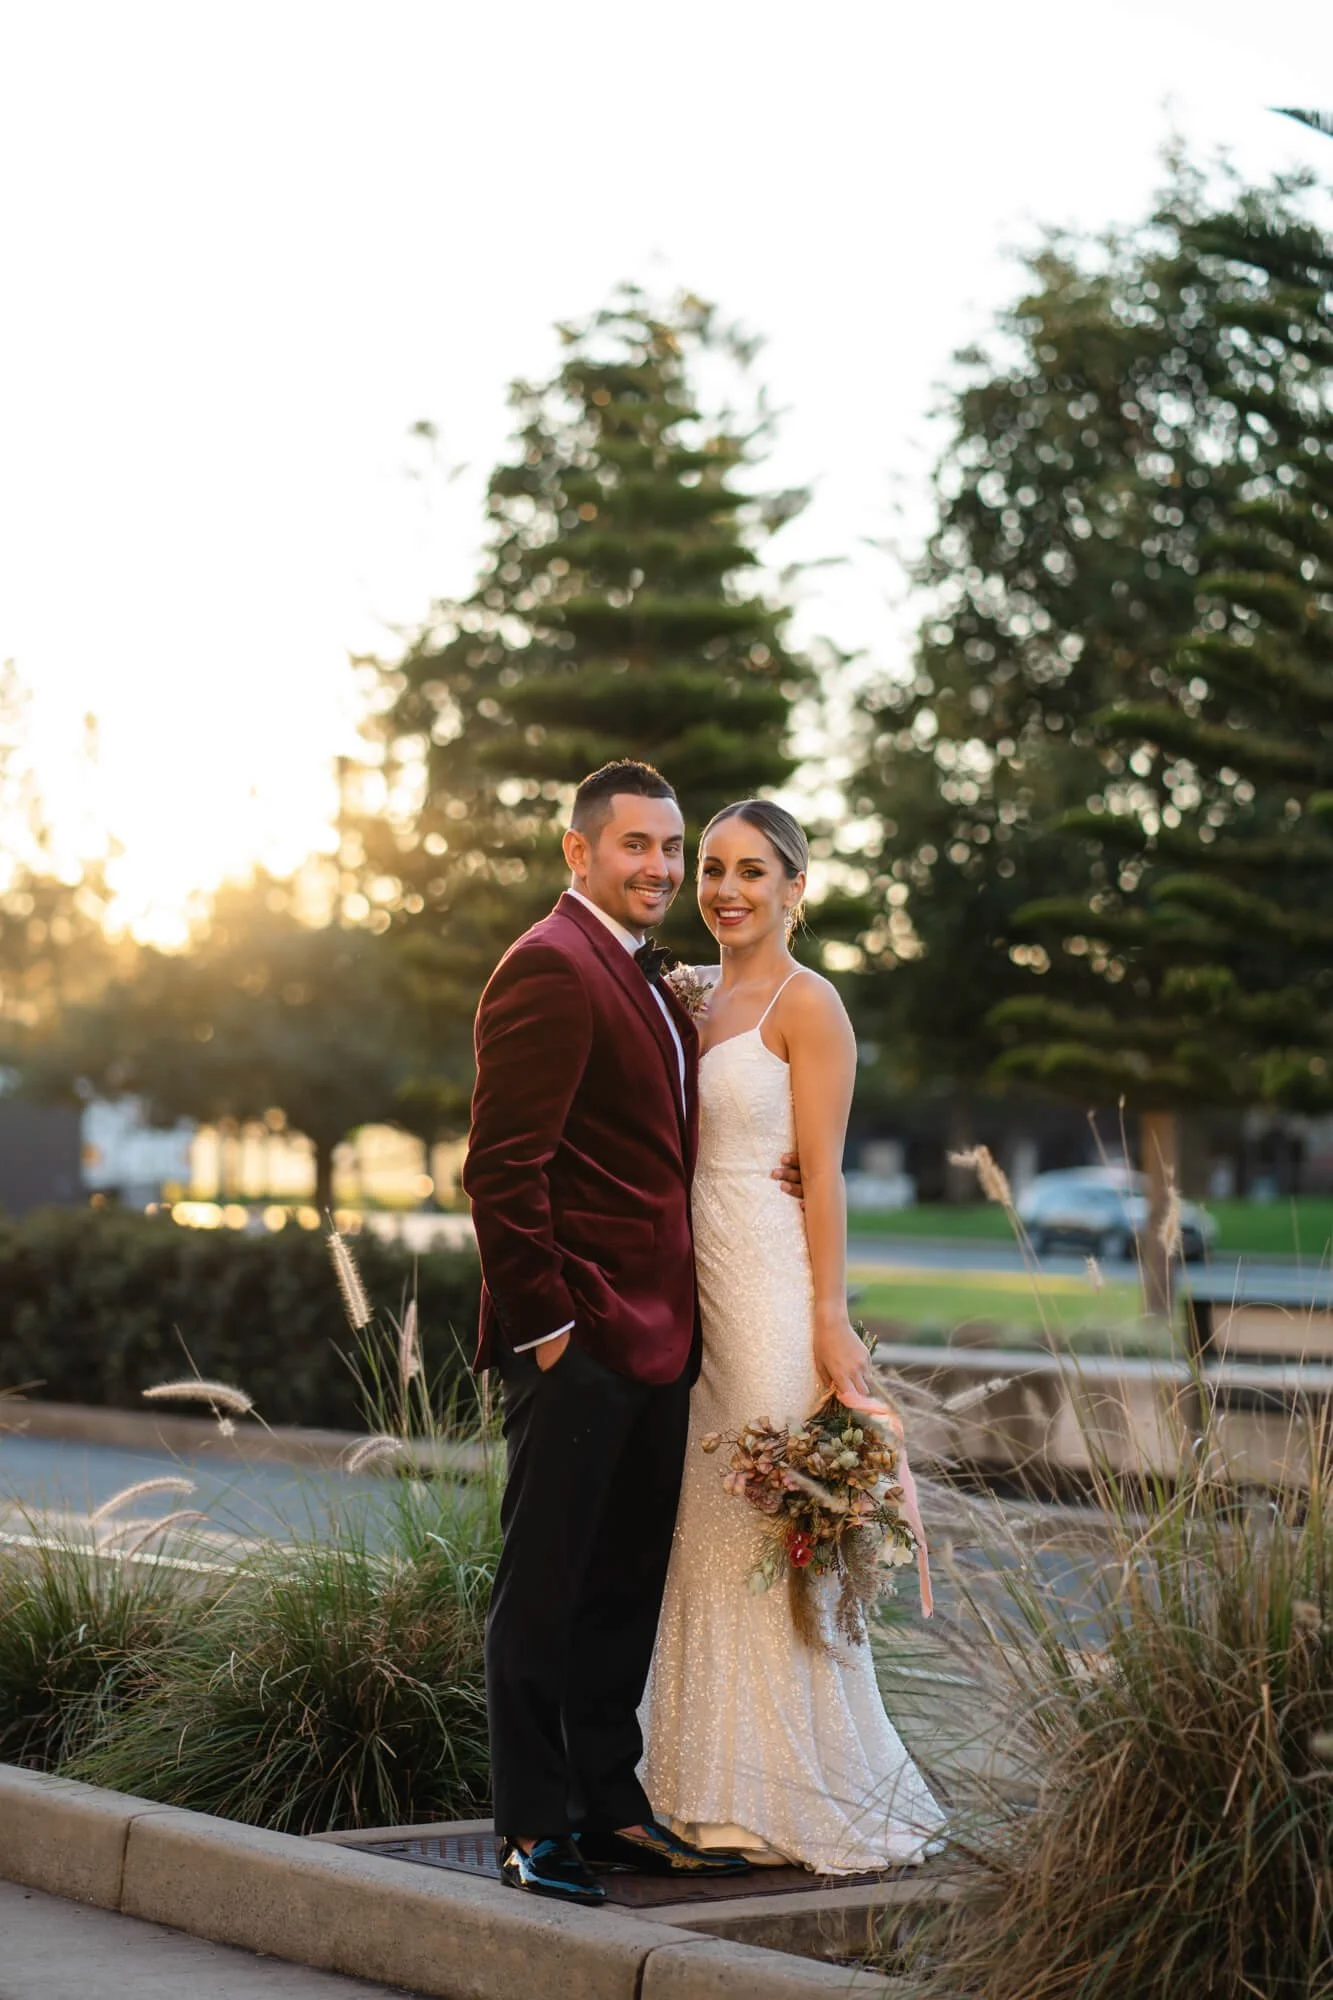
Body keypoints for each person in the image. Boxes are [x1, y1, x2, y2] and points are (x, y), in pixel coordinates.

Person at [463, 760, 809, 1907]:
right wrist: (550, 1329)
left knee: (622, 1586)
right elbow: (502, 1173)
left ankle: (609, 1808)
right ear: (579, 852)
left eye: (672, 848)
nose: (662, 867)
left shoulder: (651, 977)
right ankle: (529, 1828)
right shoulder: (550, 968)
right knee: (546, 1584)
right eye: (638, 847)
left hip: (668, 1338)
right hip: (583, 1337)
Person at [640, 799, 945, 1874]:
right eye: (711, 868)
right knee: (698, 1531)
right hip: (694, 1298)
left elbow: (822, 1171)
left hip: (770, 1291)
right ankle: (697, 1787)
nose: (724, 888)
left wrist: (827, 1316)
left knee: (764, 1527)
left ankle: (783, 1792)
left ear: (794, 887)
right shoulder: (685, 999)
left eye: (751, 871)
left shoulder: (809, 1007)